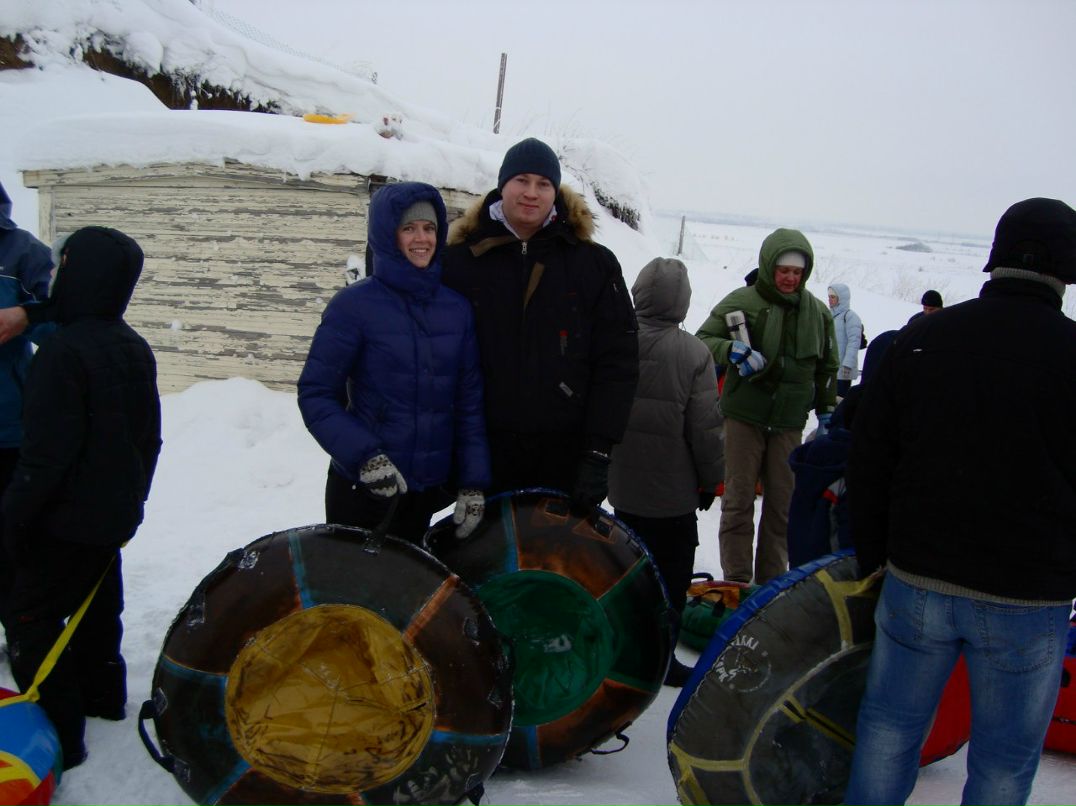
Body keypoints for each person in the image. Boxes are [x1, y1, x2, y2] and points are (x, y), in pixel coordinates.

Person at [845, 198, 1076, 806]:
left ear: (996, 258)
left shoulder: (926, 337)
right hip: (1029, 594)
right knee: (1003, 761)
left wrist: (874, 555)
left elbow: (869, 454)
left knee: (888, 732)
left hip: (918, 578)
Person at [3, 226, 161, 770]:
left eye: (65, 265)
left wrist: (11, 520)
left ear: (85, 275)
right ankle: (104, 697)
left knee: (30, 615)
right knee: (97, 605)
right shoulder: (132, 346)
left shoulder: (62, 353)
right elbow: (150, 440)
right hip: (110, 518)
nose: (58, 275)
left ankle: (62, 735)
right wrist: (132, 505)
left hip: (63, 521)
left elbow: (46, 458)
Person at [442, 138, 638, 511]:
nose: (531, 193)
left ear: (555, 191)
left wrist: (599, 450)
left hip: (565, 452)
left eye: (543, 184)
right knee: (484, 563)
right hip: (483, 450)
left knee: (557, 565)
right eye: (522, 180)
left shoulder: (593, 264)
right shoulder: (461, 262)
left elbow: (618, 361)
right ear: (503, 185)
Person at [298, 182, 490, 543]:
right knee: (354, 593)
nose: (422, 238)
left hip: (424, 493)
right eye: (409, 228)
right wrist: (364, 458)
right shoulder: (353, 306)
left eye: (429, 228)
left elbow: (468, 406)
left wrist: (472, 483)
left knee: (409, 593)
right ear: (387, 235)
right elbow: (316, 393)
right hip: (362, 490)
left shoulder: (456, 310)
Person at [696, 229, 838, 585]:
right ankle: (738, 582)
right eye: (783, 269)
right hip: (744, 419)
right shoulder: (742, 301)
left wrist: (825, 409)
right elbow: (703, 338)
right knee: (738, 502)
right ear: (769, 265)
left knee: (782, 508)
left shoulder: (818, 313)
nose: (790, 277)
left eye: (797, 271)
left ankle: (770, 586)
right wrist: (733, 350)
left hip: (789, 423)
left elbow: (827, 367)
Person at [607, 257, 724, 687]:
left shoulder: (617, 340)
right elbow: (706, 430)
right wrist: (712, 479)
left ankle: (623, 647)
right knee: (671, 579)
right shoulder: (695, 352)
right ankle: (662, 658)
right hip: (674, 495)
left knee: (628, 568)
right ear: (684, 301)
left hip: (622, 485)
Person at [0, 181, 54, 630]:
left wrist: (26, 316)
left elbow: (65, 321)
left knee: (14, 543)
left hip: (8, 428)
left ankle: (20, 633)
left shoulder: (23, 252)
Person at [826, 282, 863, 397]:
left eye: (833, 297)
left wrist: (847, 364)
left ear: (841, 298)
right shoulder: (829, 315)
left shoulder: (850, 317)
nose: (830, 300)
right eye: (829, 297)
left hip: (843, 371)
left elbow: (854, 342)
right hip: (830, 368)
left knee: (839, 400)